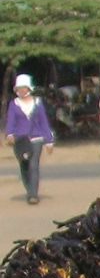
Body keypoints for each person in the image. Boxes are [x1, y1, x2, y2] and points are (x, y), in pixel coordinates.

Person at [7, 74, 53, 205]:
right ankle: (29, 189)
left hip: (36, 138)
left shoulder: (38, 103)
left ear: (28, 88)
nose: (21, 91)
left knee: (34, 165)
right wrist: (10, 134)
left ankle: (33, 194)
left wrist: (49, 141)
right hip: (20, 140)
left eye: (23, 88)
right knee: (24, 165)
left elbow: (44, 122)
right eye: (19, 89)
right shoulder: (14, 104)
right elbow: (11, 121)